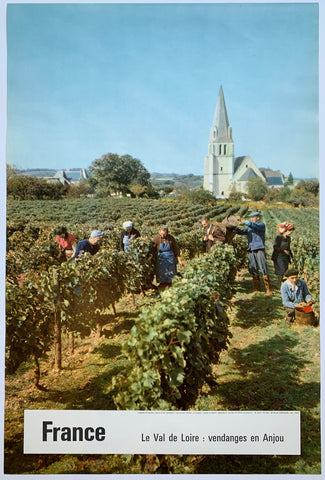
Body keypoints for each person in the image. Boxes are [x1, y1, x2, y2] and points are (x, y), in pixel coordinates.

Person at [234, 211, 271, 295]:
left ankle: (268, 289)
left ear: (258, 218)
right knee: (253, 268)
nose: (251, 219)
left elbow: (252, 225)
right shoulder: (249, 228)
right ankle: (256, 288)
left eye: (253, 217)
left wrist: (243, 221)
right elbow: (241, 232)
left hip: (259, 249)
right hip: (251, 249)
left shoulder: (261, 225)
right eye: (250, 218)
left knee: (263, 268)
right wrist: (234, 226)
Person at [271, 222, 295, 288]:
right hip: (278, 256)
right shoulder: (279, 237)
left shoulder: (288, 238)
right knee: (281, 271)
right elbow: (275, 247)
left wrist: (291, 256)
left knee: (285, 270)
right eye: (289, 231)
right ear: (285, 230)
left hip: (285, 257)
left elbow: (288, 248)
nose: (290, 233)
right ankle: (279, 285)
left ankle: (282, 285)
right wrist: (283, 251)